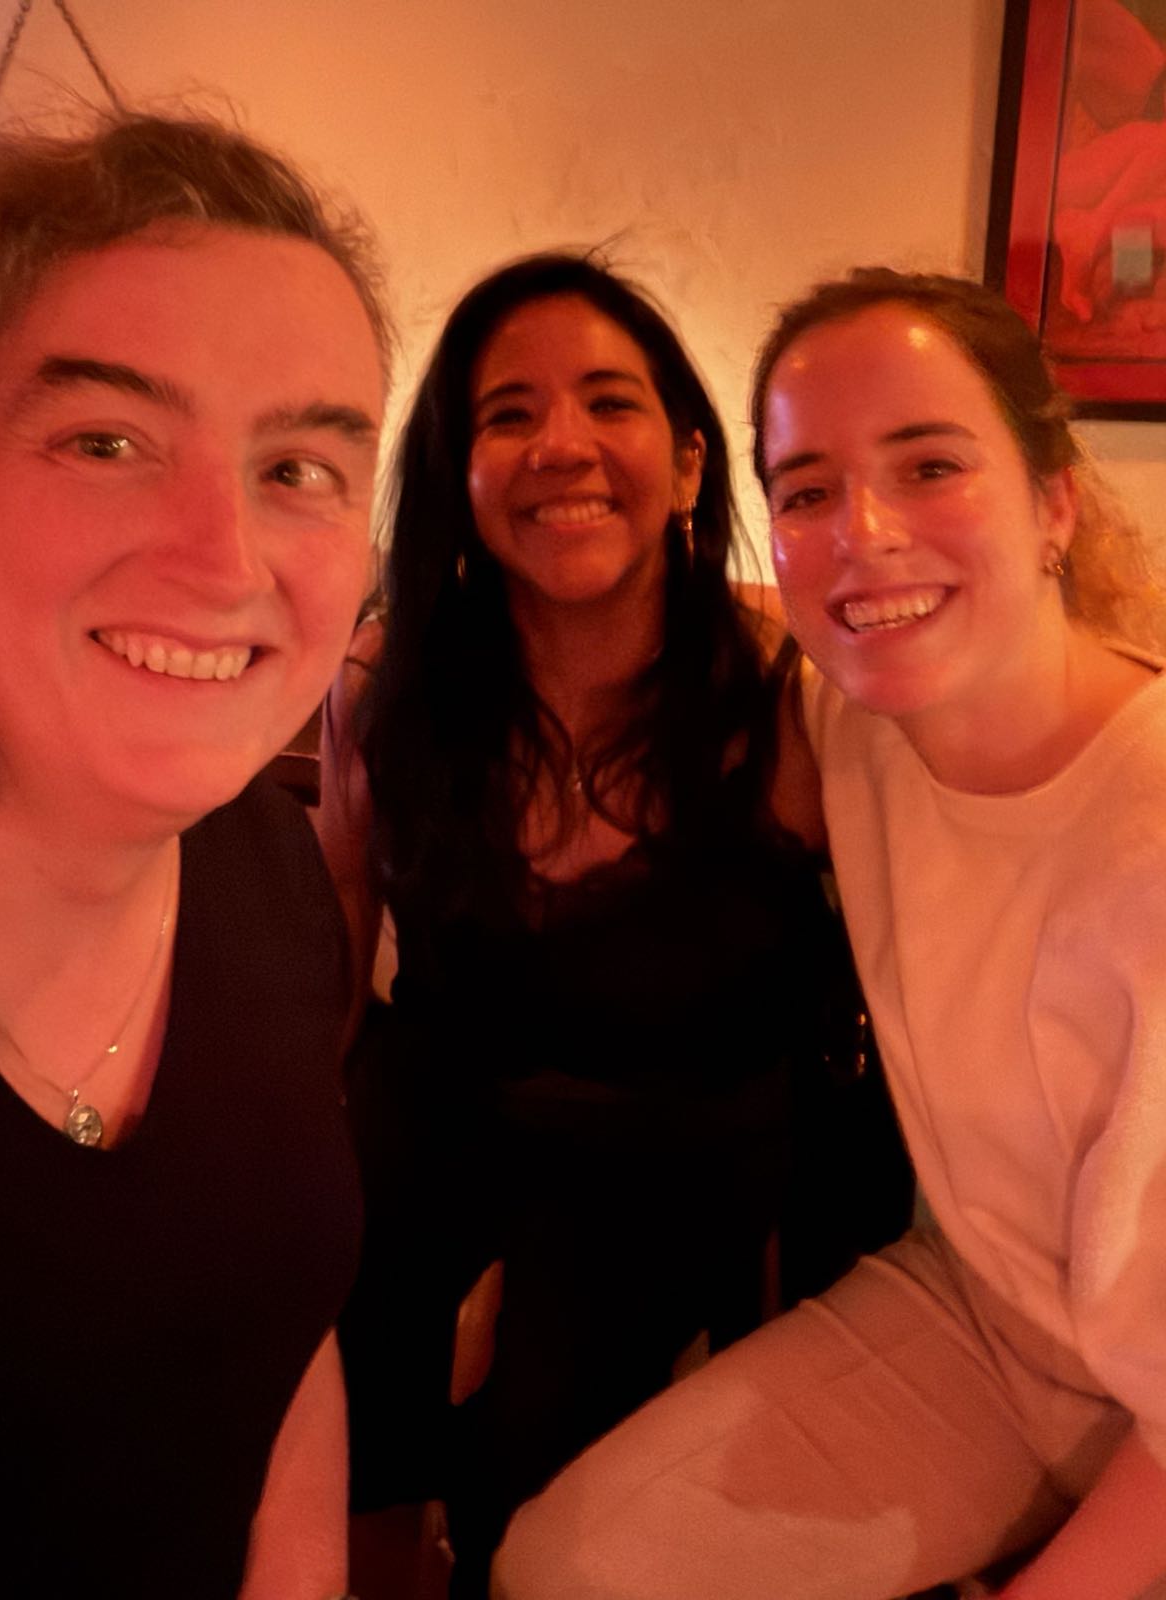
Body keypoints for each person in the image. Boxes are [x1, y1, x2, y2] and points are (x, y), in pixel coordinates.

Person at [491, 267, 1166, 1600]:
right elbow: (646, 645)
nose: (862, 533)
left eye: (928, 466)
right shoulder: (848, 720)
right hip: (981, 1321)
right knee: (561, 1569)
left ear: (1053, 503)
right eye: (806, 489)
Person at [318, 253, 912, 1595]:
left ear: (693, 465)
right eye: (507, 413)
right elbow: (334, 960)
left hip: (687, 1173)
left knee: (547, 1505)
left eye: (609, 402)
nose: (560, 445)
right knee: (340, 1419)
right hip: (430, 1141)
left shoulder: (798, 701)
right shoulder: (382, 683)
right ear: (459, 474)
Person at [0, 109, 390, 1598]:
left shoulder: (268, 883)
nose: (223, 559)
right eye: (105, 439)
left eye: (301, 468)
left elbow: (272, 1325)